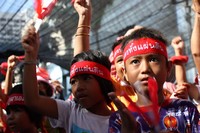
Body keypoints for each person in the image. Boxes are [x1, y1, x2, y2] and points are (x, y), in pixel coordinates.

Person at [21, 24, 117, 132]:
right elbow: (32, 100)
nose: (78, 87)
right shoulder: (70, 111)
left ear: (103, 80)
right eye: (73, 82)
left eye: (86, 78)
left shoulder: (121, 124)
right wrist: (30, 56)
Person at [108, 27, 200, 132]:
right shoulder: (120, 119)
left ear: (168, 68)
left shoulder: (185, 109)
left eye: (153, 59)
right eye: (135, 62)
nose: (145, 69)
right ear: (125, 73)